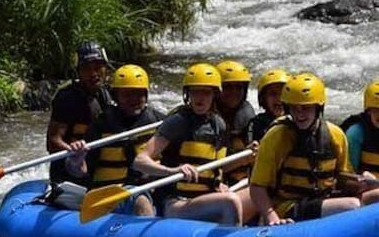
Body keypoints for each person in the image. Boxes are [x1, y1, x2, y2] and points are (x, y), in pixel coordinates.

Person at [132, 63, 254, 225]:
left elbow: (217, 167)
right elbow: (140, 161)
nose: (200, 97)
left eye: (206, 92)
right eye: (195, 92)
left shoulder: (218, 124)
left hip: (205, 198)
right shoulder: (177, 121)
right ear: (187, 94)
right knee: (230, 202)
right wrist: (172, 171)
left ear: (214, 95)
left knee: (258, 193)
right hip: (176, 202)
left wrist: (224, 177)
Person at [249, 73, 361, 225]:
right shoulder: (276, 136)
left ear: (318, 108)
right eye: (294, 108)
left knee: (376, 198)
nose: (299, 114)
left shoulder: (336, 135)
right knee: (352, 206)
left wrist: (361, 182)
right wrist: (272, 217)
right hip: (286, 206)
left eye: (306, 108)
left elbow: (343, 178)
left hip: (322, 200)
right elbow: (257, 187)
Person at [65, 64, 165, 215]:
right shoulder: (101, 125)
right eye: (126, 94)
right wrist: (76, 160)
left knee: (144, 196)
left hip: (149, 190)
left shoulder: (159, 122)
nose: (133, 99)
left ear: (146, 95)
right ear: (116, 96)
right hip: (108, 194)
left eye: (138, 94)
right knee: (139, 200)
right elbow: (79, 172)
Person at [46, 41, 113, 183]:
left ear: (105, 68)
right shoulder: (67, 98)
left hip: (96, 168)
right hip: (69, 171)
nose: (93, 73)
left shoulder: (107, 94)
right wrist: (74, 152)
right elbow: (53, 142)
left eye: (98, 67)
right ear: (78, 72)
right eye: (87, 69)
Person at [216, 60, 256, 185]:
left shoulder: (247, 117)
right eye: (227, 87)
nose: (233, 92)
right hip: (212, 182)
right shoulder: (205, 119)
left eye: (238, 87)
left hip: (238, 182)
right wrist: (242, 159)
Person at [246, 68, 290, 143]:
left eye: (282, 93)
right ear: (263, 99)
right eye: (273, 94)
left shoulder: (299, 120)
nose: (278, 98)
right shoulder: (256, 124)